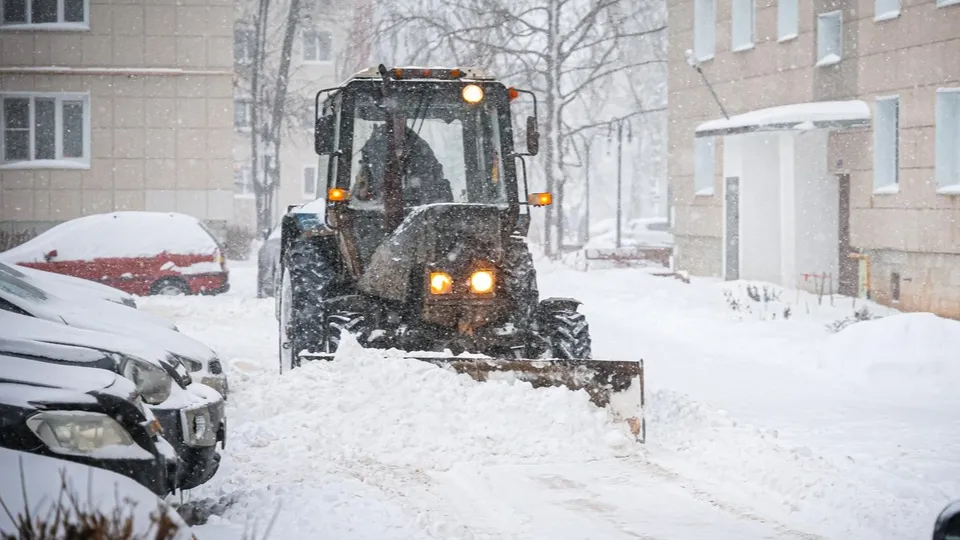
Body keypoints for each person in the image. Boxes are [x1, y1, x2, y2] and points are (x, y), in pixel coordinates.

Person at [352, 123, 453, 206]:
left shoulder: (421, 152)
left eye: (400, 116)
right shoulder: (372, 153)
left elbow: (432, 181)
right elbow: (361, 192)